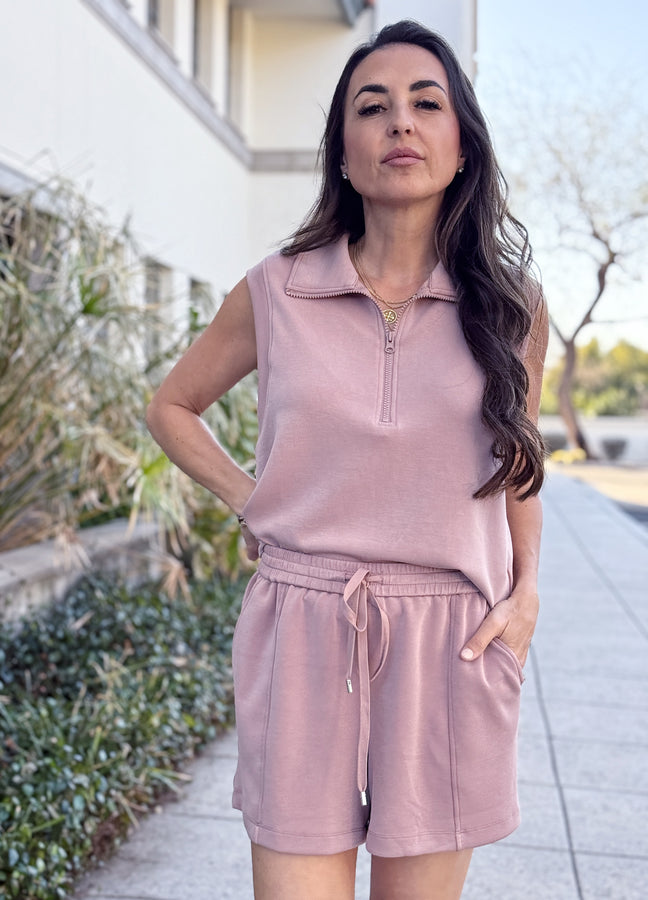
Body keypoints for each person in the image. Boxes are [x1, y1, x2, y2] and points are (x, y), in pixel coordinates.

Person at [146, 19, 548, 900]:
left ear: (461, 146)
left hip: (454, 642)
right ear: (342, 151)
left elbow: (518, 460)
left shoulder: (512, 307)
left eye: (425, 103)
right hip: (305, 626)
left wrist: (525, 595)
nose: (399, 122)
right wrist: (254, 501)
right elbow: (171, 406)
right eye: (373, 106)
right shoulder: (277, 289)